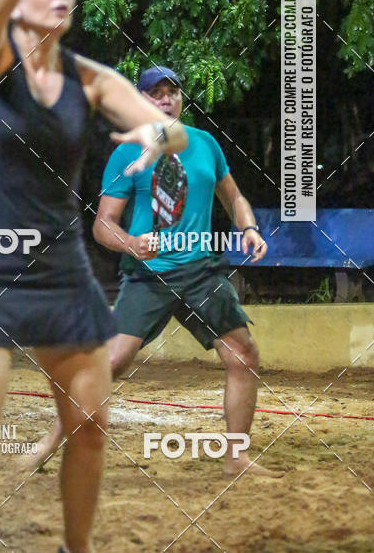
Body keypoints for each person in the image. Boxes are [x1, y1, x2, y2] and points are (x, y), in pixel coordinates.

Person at [0, 0, 188, 553]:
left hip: (61, 268)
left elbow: (169, 130)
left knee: (91, 425)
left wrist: (157, 136)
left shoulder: (89, 79)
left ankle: (78, 548)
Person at [31, 66, 282, 479]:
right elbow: (102, 225)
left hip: (201, 273)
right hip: (150, 276)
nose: (165, 99)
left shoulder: (204, 144)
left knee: (243, 355)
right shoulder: (128, 153)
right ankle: (50, 443)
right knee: (109, 363)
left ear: (181, 99)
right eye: (155, 93)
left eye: (172, 92)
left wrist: (249, 229)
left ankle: (235, 458)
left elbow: (234, 197)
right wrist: (132, 244)